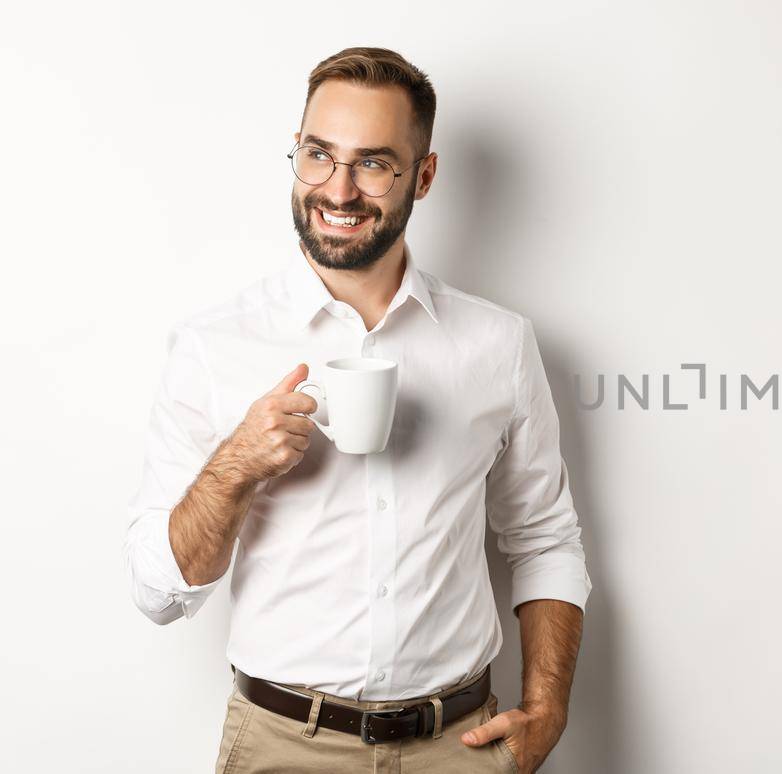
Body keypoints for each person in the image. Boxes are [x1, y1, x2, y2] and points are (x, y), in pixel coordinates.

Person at [120, 47, 590, 774]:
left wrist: (548, 707)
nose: (337, 189)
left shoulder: (499, 344)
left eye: (374, 163)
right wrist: (236, 466)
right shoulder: (216, 345)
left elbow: (543, 537)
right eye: (318, 155)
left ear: (423, 176)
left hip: (459, 747)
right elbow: (157, 591)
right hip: (281, 746)